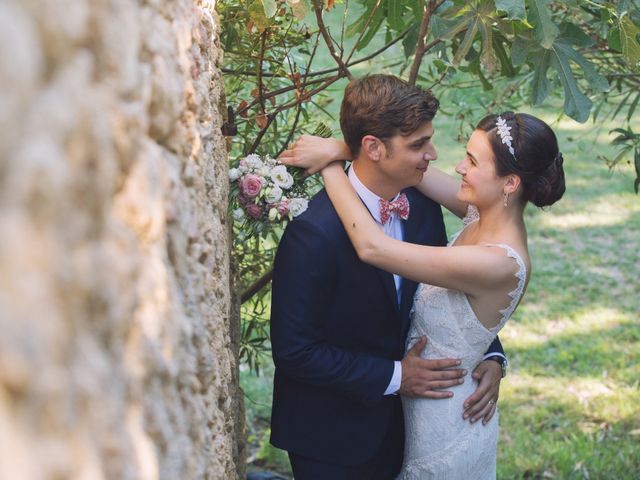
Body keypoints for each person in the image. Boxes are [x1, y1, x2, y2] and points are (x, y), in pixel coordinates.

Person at [283, 107, 566, 478]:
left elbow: (373, 248)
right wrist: (344, 147)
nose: (459, 167)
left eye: (472, 160)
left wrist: (330, 166)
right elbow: (406, 164)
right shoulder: (479, 212)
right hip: (413, 414)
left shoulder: (497, 261)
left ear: (510, 183)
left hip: (446, 423)